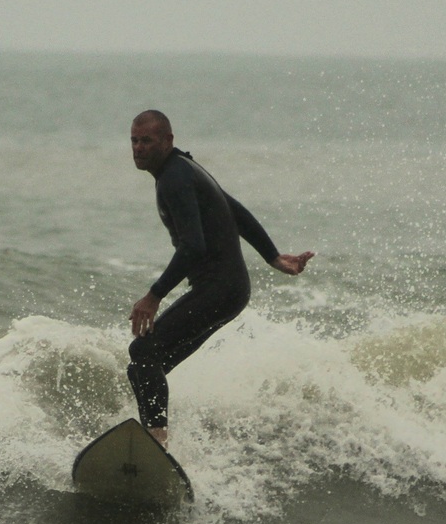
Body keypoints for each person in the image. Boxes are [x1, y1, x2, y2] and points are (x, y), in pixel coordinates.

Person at [126, 110, 314, 447]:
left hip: (219, 288)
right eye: (134, 141)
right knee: (143, 368)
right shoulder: (185, 169)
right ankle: (155, 441)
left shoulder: (174, 177)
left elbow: (193, 246)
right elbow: (235, 210)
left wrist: (153, 296)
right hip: (229, 290)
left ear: (168, 140)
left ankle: (156, 439)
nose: (139, 148)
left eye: (147, 141)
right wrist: (272, 256)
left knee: (144, 352)